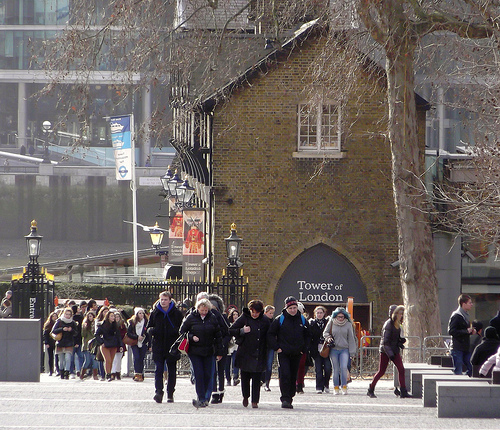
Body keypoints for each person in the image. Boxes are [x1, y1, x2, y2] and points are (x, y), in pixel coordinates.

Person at [267, 296, 310, 409]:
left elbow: (308, 336)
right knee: (285, 374)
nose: (293, 310)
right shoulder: (280, 319)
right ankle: (285, 398)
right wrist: (276, 347)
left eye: (294, 308)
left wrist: (304, 349)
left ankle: (290, 396)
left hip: (297, 353)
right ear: (286, 308)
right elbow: (270, 334)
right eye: (290, 308)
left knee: (293, 375)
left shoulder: (302, 320)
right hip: (284, 353)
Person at [179, 298, 223, 408]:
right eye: (202, 310)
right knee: (199, 375)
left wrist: (219, 351)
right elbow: (182, 331)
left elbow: (218, 335)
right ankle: (201, 398)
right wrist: (191, 337)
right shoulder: (191, 317)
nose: (204, 312)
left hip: (209, 350)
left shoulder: (212, 318)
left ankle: (207, 397)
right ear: (198, 308)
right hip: (195, 351)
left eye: (206, 310)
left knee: (208, 375)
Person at [229, 300, 271, 408]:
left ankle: (255, 401)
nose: (254, 314)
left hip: (259, 352)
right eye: (253, 312)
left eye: (257, 312)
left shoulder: (265, 320)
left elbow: (270, 334)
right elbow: (231, 330)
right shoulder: (244, 317)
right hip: (245, 352)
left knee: (257, 379)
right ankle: (245, 396)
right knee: (245, 377)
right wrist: (242, 330)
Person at [367, 305, 411, 398]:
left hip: (394, 349)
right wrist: (390, 354)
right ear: (394, 314)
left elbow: (394, 339)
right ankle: (371, 389)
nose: (401, 315)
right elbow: (385, 342)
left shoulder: (397, 324)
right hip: (385, 351)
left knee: (401, 369)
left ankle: (403, 391)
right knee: (381, 371)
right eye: (399, 314)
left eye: (402, 314)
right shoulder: (388, 324)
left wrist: (400, 342)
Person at [147, 291, 183, 403]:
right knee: (158, 369)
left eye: (165, 299)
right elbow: (149, 327)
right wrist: (152, 331)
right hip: (158, 344)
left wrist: (175, 332)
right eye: (161, 299)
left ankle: (170, 393)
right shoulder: (155, 312)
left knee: (172, 369)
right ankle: (158, 392)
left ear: (170, 300)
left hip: (172, 345)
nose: (163, 302)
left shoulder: (177, 313)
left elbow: (182, 329)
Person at [323, 307, 357, 395]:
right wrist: (328, 338)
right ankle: (336, 387)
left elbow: (351, 339)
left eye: (342, 317)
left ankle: (344, 386)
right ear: (335, 316)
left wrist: (352, 352)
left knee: (344, 367)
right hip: (334, 349)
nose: (340, 318)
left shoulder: (348, 324)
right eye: (338, 317)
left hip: (344, 349)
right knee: (335, 369)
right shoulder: (331, 322)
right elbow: (325, 333)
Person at [208, 293, 230, 404]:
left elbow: (228, 332)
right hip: (210, 347)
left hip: (221, 347)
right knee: (213, 371)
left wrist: (222, 344)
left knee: (221, 371)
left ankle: (221, 390)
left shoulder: (223, 318)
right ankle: (214, 392)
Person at [448, 294, 475, 376]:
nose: (472, 304)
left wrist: (470, 331)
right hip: (457, 348)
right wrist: (466, 331)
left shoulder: (465, 315)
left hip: (465, 347)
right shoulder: (456, 316)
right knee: (458, 370)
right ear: (463, 304)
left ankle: (465, 379)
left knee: (471, 368)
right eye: (470, 303)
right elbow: (451, 331)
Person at [94, 310, 123, 381]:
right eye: (112, 316)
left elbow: (118, 336)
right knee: (108, 360)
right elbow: (97, 334)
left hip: (113, 345)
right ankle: (108, 375)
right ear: (108, 317)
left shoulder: (115, 325)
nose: (113, 318)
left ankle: (109, 373)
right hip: (105, 345)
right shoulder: (102, 325)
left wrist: (120, 345)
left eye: (114, 316)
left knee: (111, 361)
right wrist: (101, 342)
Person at [51, 307, 78, 380]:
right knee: (61, 360)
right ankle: (61, 372)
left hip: (69, 343)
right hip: (60, 342)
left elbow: (76, 333)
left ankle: (67, 372)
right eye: (66, 314)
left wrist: (71, 330)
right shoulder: (59, 321)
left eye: (69, 314)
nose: (68, 316)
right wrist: (62, 329)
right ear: (64, 314)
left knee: (68, 358)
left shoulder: (73, 322)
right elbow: (53, 331)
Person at [309, 306, 331, 394]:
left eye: (321, 313)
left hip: (326, 348)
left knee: (328, 368)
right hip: (316, 349)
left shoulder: (328, 322)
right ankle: (319, 387)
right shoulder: (312, 323)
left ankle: (326, 384)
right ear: (315, 314)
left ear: (324, 313)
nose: (319, 314)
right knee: (318, 369)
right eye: (317, 313)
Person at [127, 307, 150, 382]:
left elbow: (149, 334)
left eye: (142, 313)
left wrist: (149, 344)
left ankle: (141, 374)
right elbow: (128, 333)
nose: (141, 315)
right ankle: (136, 373)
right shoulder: (132, 322)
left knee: (141, 358)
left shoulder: (146, 322)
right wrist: (136, 337)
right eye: (140, 313)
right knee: (136, 357)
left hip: (143, 343)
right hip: (135, 342)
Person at [80, 310, 99, 380]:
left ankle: (95, 375)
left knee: (95, 361)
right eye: (89, 316)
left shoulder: (96, 324)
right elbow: (83, 335)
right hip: (86, 345)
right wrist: (84, 328)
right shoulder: (85, 324)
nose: (90, 318)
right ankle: (82, 374)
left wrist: (94, 327)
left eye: (91, 316)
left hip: (94, 345)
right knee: (87, 360)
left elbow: (96, 334)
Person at [226, 308, 240, 386]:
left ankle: (235, 378)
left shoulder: (240, 324)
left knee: (236, 362)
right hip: (229, 346)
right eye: (234, 314)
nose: (235, 316)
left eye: (237, 314)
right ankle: (228, 378)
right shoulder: (228, 324)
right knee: (227, 363)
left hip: (236, 346)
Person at [111, 311, 127, 380]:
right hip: (113, 344)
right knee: (113, 359)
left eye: (118, 317)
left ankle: (118, 372)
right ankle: (113, 373)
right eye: (115, 317)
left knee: (119, 360)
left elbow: (124, 334)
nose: (117, 318)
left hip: (121, 343)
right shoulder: (111, 325)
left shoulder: (122, 325)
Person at [262, 305, 275, 391]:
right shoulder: (262, 321)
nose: (271, 315)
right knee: (262, 364)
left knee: (269, 365)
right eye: (270, 313)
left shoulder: (274, 322)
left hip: (270, 346)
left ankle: (267, 383)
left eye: (272, 313)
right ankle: (262, 380)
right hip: (262, 346)